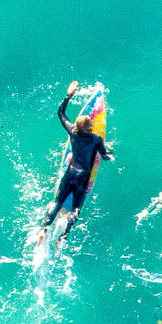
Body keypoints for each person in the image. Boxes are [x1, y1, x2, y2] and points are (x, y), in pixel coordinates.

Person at [44, 79, 113, 230]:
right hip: (83, 177)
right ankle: (63, 237)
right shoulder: (95, 139)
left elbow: (61, 113)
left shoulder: (73, 132)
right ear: (90, 127)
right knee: (75, 209)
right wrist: (110, 153)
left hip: (71, 171)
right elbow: (103, 155)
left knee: (58, 202)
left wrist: (68, 96)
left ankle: (44, 229)